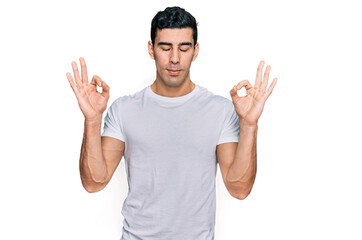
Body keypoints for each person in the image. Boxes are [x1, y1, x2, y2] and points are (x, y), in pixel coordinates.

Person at [66, 6, 277, 240]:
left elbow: (239, 189)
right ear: (151, 49)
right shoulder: (125, 109)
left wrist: (249, 125)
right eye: (165, 48)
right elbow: (94, 181)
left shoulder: (220, 110)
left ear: (195, 51)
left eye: (184, 48)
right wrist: (93, 119)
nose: (174, 58)